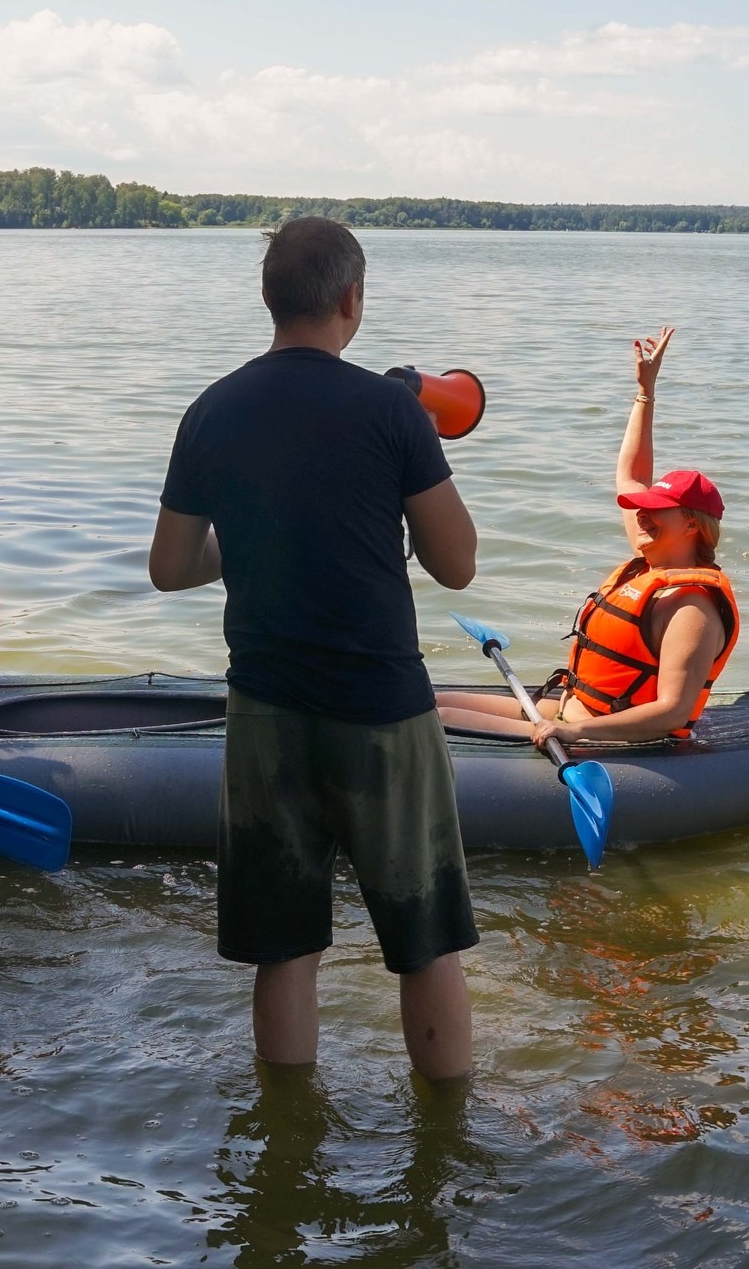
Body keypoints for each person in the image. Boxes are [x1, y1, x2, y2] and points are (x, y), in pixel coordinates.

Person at [147, 217, 481, 1082]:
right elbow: (457, 565)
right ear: (351, 300)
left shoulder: (211, 410)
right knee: (425, 940)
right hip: (382, 709)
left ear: (269, 298)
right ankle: (443, 1145)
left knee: (284, 948)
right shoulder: (393, 413)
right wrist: (422, 446)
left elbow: (171, 567)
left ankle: (285, 1152)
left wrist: (252, 542)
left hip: (265, 707)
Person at [438, 327, 738, 748]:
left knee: (430, 722)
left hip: (595, 737)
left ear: (692, 525)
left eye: (655, 511)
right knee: (425, 701)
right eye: (642, 509)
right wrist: (645, 393)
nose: (641, 515)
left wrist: (574, 730)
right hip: (565, 710)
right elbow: (631, 476)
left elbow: (672, 711)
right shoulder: (651, 558)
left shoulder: (692, 608)